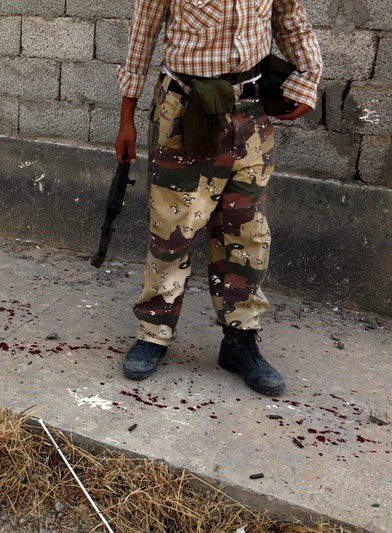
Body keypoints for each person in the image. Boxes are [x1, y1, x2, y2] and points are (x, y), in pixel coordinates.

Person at [115, 0, 322, 395]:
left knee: (246, 233)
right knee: (172, 230)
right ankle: (154, 333)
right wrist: (126, 121)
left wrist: (308, 79)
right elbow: (140, 38)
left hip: (250, 114)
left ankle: (240, 341)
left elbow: (291, 19)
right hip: (184, 112)